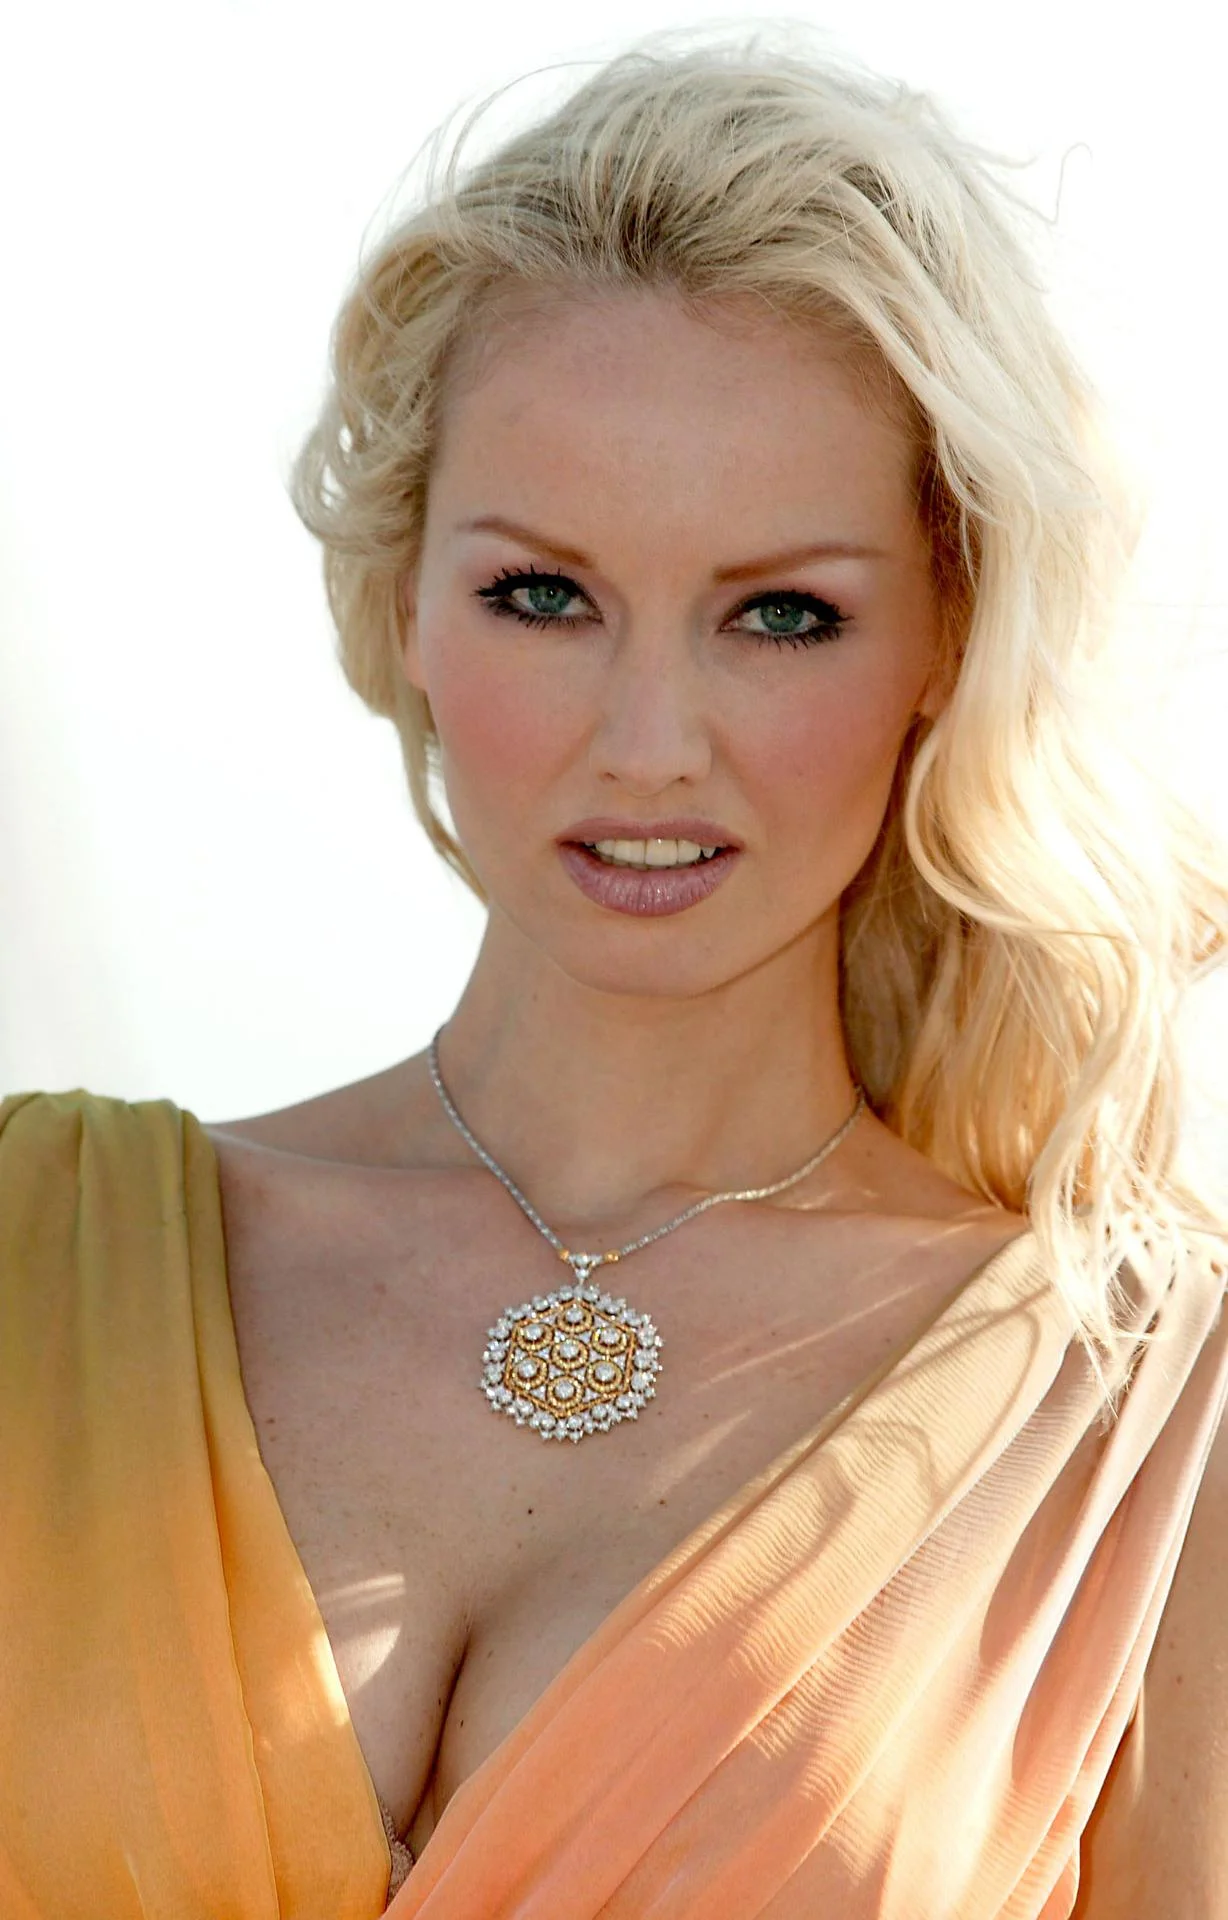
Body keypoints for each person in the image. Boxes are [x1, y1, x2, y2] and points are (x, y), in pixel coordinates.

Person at [3, 26, 1228, 1920]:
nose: (651, 745)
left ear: (945, 645)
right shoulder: (34, 1253)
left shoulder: (1146, 1417)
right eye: (545, 596)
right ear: (405, 601)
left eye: (782, 616)